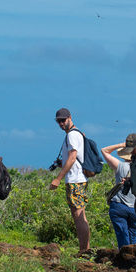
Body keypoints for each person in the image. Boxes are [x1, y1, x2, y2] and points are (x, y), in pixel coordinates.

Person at [48, 108, 90, 252]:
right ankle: (84, 249)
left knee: (79, 216)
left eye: (63, 120)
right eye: (58, 121)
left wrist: (58, 178)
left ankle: (84, 250)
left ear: (70, 118)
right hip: (76, 178)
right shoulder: (76, 134)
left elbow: (73, 157)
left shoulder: (72, 135)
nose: (61, 123)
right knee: (79, 214)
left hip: (75, 180)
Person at [101, 142, 136, 248]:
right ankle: (135, 260)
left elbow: (104, 150)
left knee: (122, 237)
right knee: (133, 236)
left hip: (119, 205)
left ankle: (124, 259)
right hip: (135, 208)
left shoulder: (120, 166)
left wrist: (121, 145)